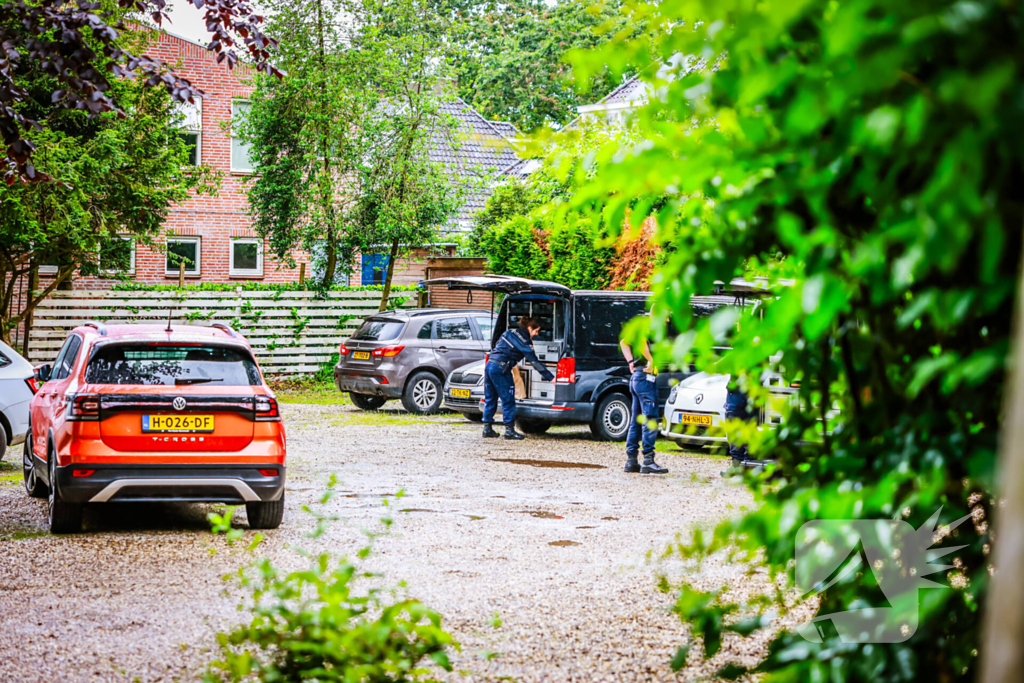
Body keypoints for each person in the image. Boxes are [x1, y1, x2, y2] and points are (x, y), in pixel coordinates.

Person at [483, 316, 555, 440]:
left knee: (490, 398)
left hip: (490, 365)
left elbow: (497, 345)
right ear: (529, 328)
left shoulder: (509, 332)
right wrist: (551, 378)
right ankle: (509, 431)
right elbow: (535, 362)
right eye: (536, 331)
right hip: (501, 369)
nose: (536, 334)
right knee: (508, 400)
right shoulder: (525, 342)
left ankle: (487, 428)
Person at [619, 333, 669, 474]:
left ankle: (632, 461)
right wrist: (650, 359)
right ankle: (648, 460)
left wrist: (630, 362)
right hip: (646, 379)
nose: (668, 320)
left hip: (637, 377)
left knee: (636, 421)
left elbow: (624, 342)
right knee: (650, 419)